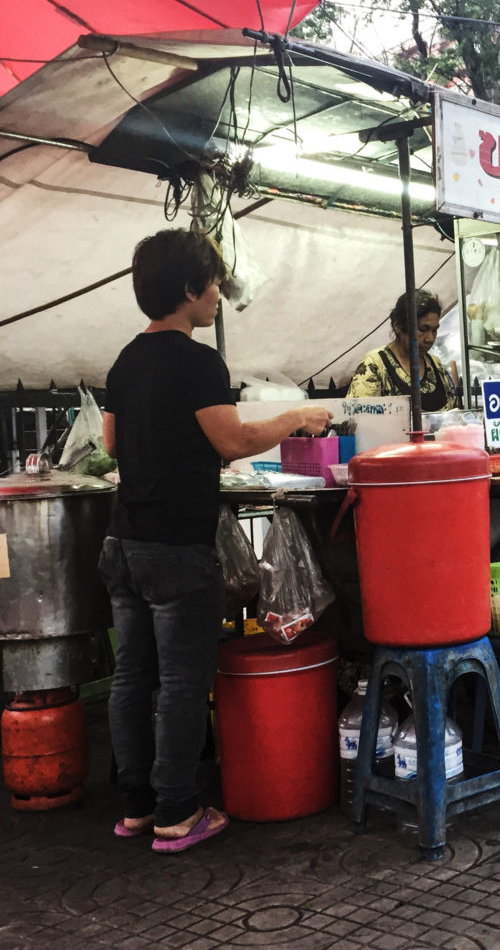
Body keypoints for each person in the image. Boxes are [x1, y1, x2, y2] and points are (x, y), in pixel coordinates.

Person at [98, 229, 332, 853]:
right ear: (188, 289)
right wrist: (295, 418)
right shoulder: (197, 360)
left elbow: (112, 445)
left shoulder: (125, 359)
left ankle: (138, 807)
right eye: (214, 285)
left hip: (124, 540)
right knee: (179, 680)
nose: (220, 297)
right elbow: (231, 442)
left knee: (132, 676)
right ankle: (178, 811)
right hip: (176, 546)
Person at [347, 289, 456, 411]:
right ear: (398, 326)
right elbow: (357, 418)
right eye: (422, 329)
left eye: (434, 330)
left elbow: (452, 415)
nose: (430, 339)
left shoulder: (436, 365)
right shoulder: (375, 365)